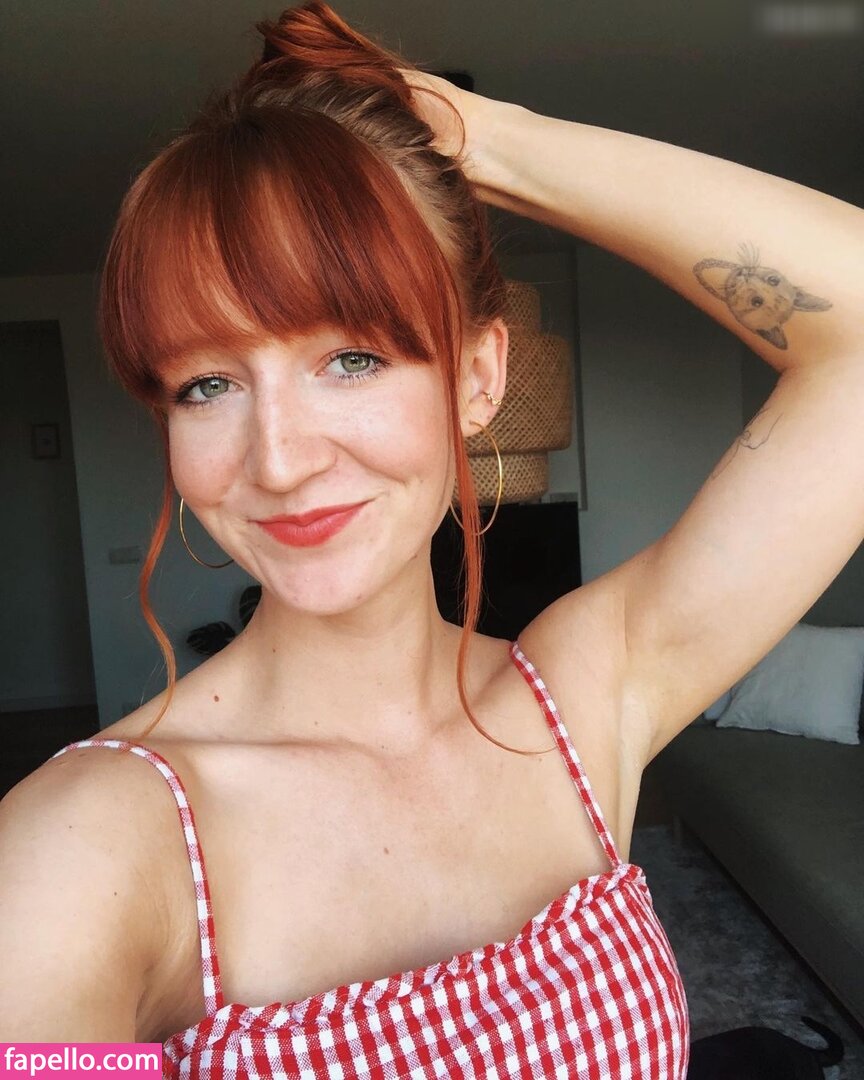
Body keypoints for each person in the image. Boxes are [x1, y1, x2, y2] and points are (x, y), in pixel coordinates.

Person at [2, 2, 863, 1076]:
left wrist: (482, 140)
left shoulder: (578, 702)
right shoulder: (88, 848)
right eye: (208, 383)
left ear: (479, 378)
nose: (279, 460)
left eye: (352, 359)